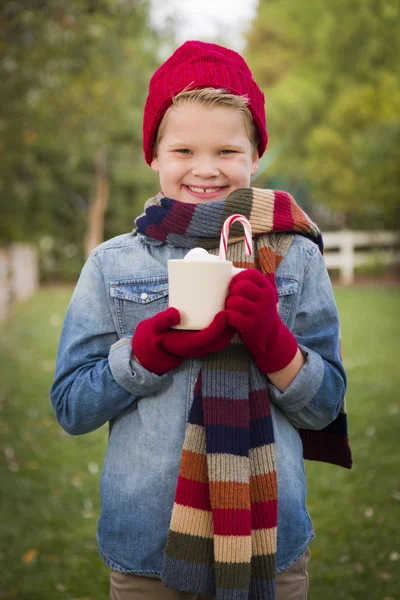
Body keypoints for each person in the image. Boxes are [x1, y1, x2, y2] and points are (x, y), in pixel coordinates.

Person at [51, 41, 351, 600]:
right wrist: (145, 357)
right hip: (147, 553)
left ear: (255, 155)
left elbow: (324, 406)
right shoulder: (113, 264)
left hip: (270, 547)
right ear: (154, 156)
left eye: (227, 150)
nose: (206, 169)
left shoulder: (294, 258)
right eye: (184, 149)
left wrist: (275, 345)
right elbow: (71, 406)